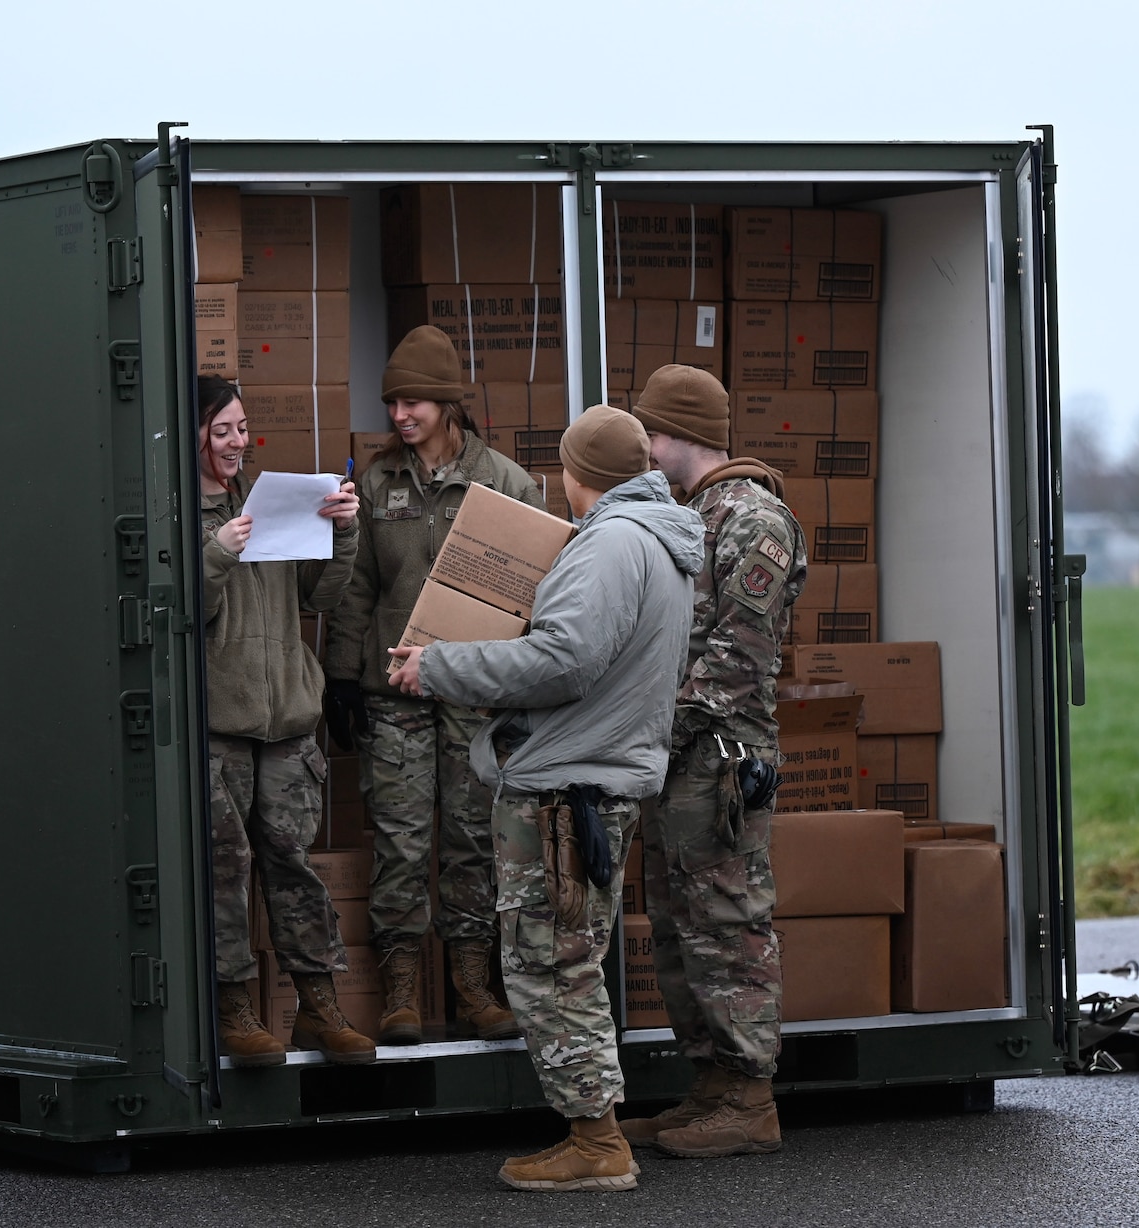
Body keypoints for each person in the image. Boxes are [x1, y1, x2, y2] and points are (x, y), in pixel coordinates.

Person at [388, 406, 703, 1192]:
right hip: (599, 783)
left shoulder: (610, 544)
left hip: (563, 790)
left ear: (578, 473)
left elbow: (564, 660)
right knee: (571, 956)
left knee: (548, 964)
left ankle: (596, 1142)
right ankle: (595, 1127)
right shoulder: (660, 542)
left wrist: (439, 669)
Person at [323, 326, 547, 1045]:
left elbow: (534, 595)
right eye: (392, 403)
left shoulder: (505, 483)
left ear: (450, 404)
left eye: (413, 402)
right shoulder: (375, 482)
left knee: (474, 842)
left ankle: (474, 987)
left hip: (476, 696)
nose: (400, 416)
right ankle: (400, 992)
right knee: (399, 839)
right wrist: (341, 677)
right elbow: (356, 587)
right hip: (396, 695)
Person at [620, 364, 806, 1158]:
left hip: (716, 759)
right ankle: (712, 1088)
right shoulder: (689, 514)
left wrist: (649, 729)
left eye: (648, 434)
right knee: (680, 927)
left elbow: (741, 658)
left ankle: (750, 1096)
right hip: (677, 759)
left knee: (729, 925)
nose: (641, 449)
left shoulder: (753, 519)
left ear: (676, 434)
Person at [195, 374, 375, 1066]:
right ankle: (233, 1007)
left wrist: (344, 532)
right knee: (224, 868)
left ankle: (317, 1006)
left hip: (288, 724)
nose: (237, 442)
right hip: (223, 723)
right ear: (195, 437)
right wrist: (217, 553)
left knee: (292, 862)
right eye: (222, 431)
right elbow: (182, 613)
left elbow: (320, 596)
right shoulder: (179, 512)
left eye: (242, 428)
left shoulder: (268, 502)